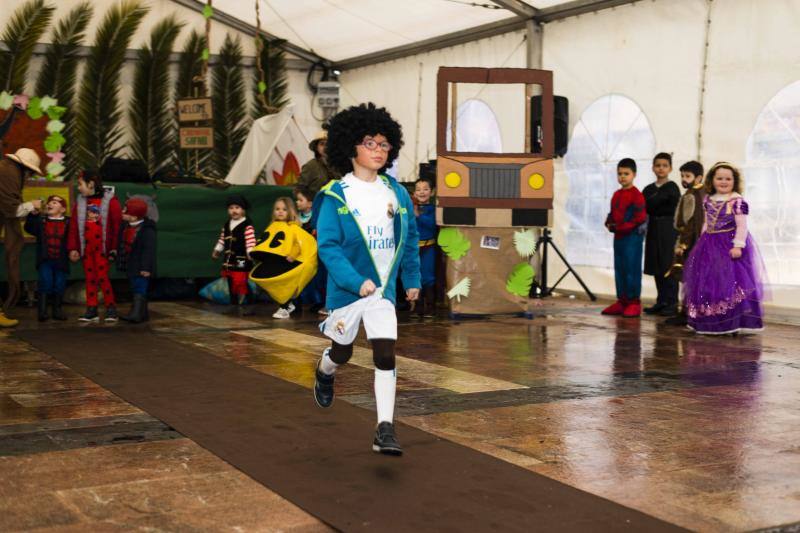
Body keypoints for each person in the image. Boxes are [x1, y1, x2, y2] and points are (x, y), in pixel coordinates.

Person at [312, 102, 420, 455]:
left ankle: (384, 428)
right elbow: (327, 248)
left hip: (383, 292)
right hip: (348, 292)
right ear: (350, 147)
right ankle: (326, 369)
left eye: (384, 144)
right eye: (370, 143)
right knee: (342, 351)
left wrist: (412, 278)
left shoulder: (397, 193)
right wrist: (356, 281)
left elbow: (409, 238)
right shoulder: (335, 195)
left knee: (385, 353)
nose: (378, 150)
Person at [683, 162, 766, 335]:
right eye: (719, 178)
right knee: (708, 282)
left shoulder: (736, 201)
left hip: (728, 245)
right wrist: (701, 240)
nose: (723, 182)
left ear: (734, 181)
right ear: (712, 180)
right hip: (708, 245)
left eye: (728, 179)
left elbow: (742, 226)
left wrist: (738, 245)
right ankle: (709, 321)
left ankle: (731, 322)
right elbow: (707, 222)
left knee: (728, 283)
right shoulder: (708, 199)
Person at [67, 169, 122, 323]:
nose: (78, 187)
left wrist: (114, 249)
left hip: (102, 250)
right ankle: (92, 309)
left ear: (91, 184)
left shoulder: (111, 201)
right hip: (87, 249)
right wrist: (73, 248)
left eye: (80, 184)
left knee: (103, 278)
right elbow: (73, 227)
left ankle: (111, 307)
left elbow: (117, 227)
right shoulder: (81, 203)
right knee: (90, 278)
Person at [0, 147, 43, 327]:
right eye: (31, 173)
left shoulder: (6, 169)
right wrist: (31, 205)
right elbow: (11, 209)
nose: (30, 177)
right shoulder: (9, 173)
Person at [602, 158, 647, 318]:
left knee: (631, 268)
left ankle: (634, 302)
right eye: (619, 173)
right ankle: (622, 301)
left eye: (626, 173)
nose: (622, 177)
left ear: (634, 174)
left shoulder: (637, 196)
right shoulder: (616, 194)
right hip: (619, 238)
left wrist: (621, 227)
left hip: (632, 238)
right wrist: (608, 222)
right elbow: (613, 213)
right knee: (619, 268)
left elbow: (639, 218)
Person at [664, 161, 705, 326]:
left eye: (687, 176)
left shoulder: (691, 195)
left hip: (691, 243)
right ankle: (691, 312)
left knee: (688, 278)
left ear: (699, 177)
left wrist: (683, 244)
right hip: (698, 242)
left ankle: (687, 313)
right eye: (682, 175)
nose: (684, 179)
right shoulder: (702, 193)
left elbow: (690, 223)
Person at [642, 152, 681, 316]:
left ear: (670, 168)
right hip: (653, 227)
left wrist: (655, 202)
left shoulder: (673, 187)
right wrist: (658, 201)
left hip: (668, 228)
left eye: (664, 165)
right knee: (656, 263)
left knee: (668, 264)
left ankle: (672, 302)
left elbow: (671, 207)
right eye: (658, 165)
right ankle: (661, 301)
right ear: (653, 168)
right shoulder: (648, 189)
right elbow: (647, 207)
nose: (661, 168)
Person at [24, 195, 70, 321]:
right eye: (49, 202)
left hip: (61, 260)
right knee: (45, 283)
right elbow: (29, 228)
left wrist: (74, 250)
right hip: (46, 260)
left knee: (60, 284)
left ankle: (57, 310)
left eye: (55, 202)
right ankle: (42, 312)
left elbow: (74, 239)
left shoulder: (68, 222)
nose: (50, 204)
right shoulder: (41, 221)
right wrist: (33, 215)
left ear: (63, 209)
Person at [212, 195, 256, 315]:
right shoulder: (227, 225)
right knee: (231, 281)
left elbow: (251, 241)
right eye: (231, 208)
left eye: (237, 207)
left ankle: (251, 303)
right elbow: (222, 240)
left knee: (241, 281)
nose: (234, 210)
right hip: (229, 259)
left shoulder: (247, 225)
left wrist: (250, 253)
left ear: (243, 210)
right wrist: (217, 250)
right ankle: (234, 304)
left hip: (241, 259)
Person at [117, 198, 156, 323]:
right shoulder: (125, 226)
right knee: (134, 286)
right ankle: (142, 313)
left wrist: (146, 268)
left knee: (140, 287)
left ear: (133, 217)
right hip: (131, 263)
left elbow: (148, 250)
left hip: (141, 266)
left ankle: (137, 314)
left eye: (125, 210)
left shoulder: (147, 230)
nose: (122, 211)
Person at [295, 185, 326, 314]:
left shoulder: (317, 218)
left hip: (316, 255)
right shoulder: (296, 219)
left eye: (300, 200)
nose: (297, 202)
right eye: (296, 200)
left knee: (318, 279)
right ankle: (302, 302)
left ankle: (320, 302)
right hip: (301, 255)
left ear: (310, 203)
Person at [268, 196, 300, 319]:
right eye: (277, 209)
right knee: (277, 285)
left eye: (284, 209)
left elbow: (299, 242)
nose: (280, 211)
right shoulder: (273, 226)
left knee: (285, 285)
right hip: (276, 260)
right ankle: (287, 304)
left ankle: (284, 307)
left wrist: (293, 255)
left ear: (290, 211)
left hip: (288, 260)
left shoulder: (293, 227)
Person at [413, 177, 436, 318]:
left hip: (429, 247)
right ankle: (418, 306)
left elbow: (433, 225)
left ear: (432, 192)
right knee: (415, 275)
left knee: (428, 276)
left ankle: (431, 306)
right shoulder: (410, 209)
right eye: (418, 190)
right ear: (414, 193)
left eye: (425, 189)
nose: (422, 192)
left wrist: (418, 215)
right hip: (413, 249)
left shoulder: (434, 209)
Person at [297, 130, 340, 196]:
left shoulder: (338, 165)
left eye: (328, 144)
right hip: (316, 204)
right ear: (316, 148)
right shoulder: (310, 166)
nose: (326, 147)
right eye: (322, 144)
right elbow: (299, 189)